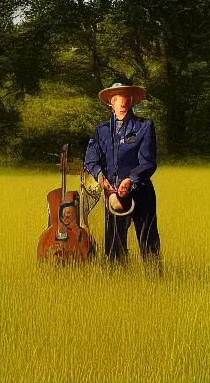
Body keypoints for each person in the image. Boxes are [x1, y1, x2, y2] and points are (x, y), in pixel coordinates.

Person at [83, 75, 161, 272]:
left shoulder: (145, 126)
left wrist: (131, 180)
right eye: (117, 98)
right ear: (111, 102)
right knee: (114, 247)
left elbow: (148, 162)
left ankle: (156, 283)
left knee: (148, 241)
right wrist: (101, 178)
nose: (122, 102)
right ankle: (116, 282)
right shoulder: (100, 130)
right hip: (112, 194)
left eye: (126, 97)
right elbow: (91, 160)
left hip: (141, 193)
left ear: (132, 100)